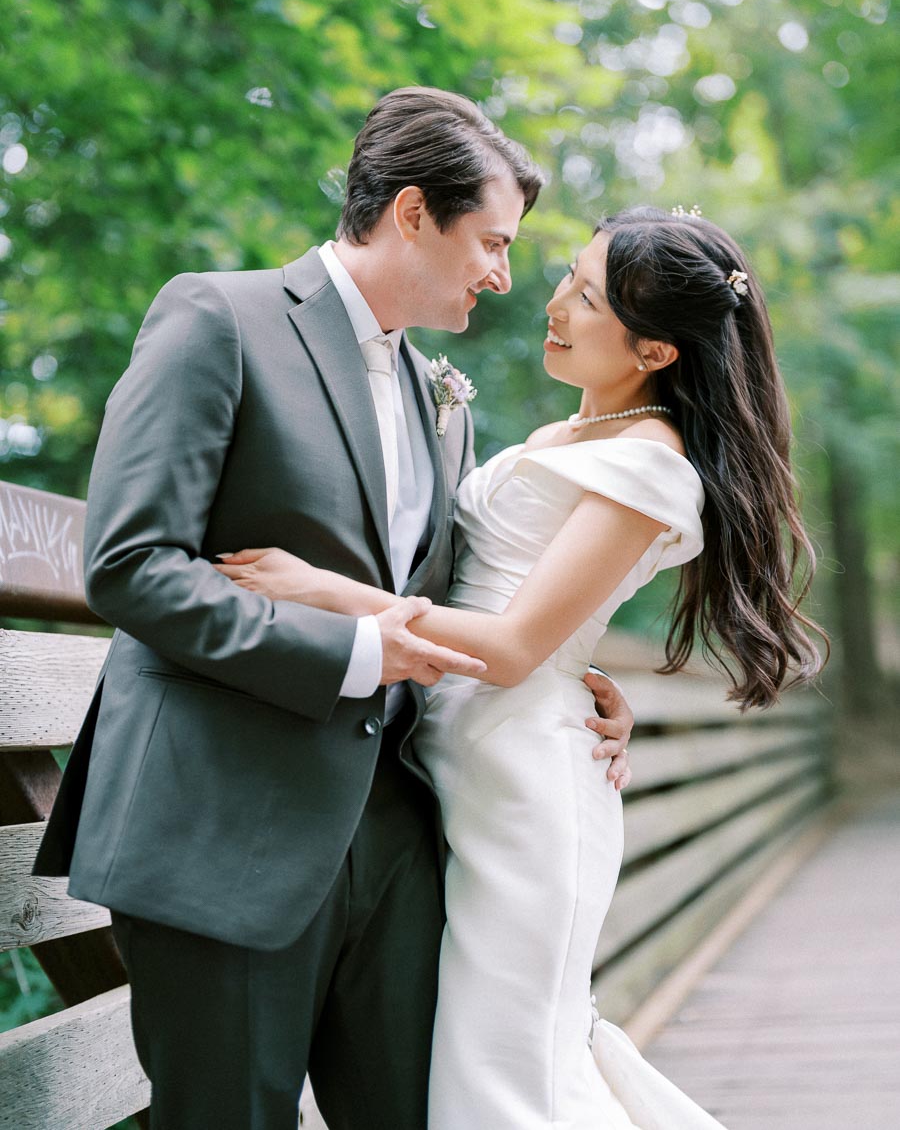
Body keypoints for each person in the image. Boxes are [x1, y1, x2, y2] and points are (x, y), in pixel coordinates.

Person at [33, 86, 634, 1130]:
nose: (502, 274)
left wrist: (561, 681)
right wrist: (351, 648)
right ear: (412, 213)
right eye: (490, 242)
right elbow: (129, 564)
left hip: (396, 838)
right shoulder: (217, 317)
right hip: (226, 821)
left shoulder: (435, 390)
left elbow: (440, 602)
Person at [216, 205, 826, 1129]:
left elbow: (508, 651)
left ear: (656, 352)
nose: (553, 302)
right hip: (463, 766)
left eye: (584, 296)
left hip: (525, 792)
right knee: (486, 1061)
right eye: (570, 277)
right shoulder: (569, 435)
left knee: (508, 1076)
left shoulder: (650, 465)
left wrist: (328, 592)